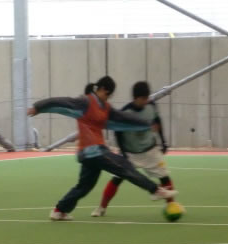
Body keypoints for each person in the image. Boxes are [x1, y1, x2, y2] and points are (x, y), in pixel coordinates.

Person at [27, 76, 177, 220]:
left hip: (90, 154)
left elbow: (123, 118)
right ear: (103, 89)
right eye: (108, 95)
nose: (108, 98)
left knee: (84, 187)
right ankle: (155, 190)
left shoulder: (105, 108)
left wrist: (146, 124)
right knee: (124, 166)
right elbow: (62, 102)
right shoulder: (85, 102)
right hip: (94, 151)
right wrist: (38, 107)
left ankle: (59, 211)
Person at [91, 81, 179, 217]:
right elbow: (118, 133)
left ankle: (171, 205)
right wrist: (123, 153)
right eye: (143, 98)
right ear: (135, 98)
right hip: (130, 153)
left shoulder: (151, 106)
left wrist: (163, 141)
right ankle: (101, 208)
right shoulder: (125, 112)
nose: (146, 101)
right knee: (116, 179)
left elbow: (158, 121)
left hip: (150, 151)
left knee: (164, 177)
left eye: (147, 98)